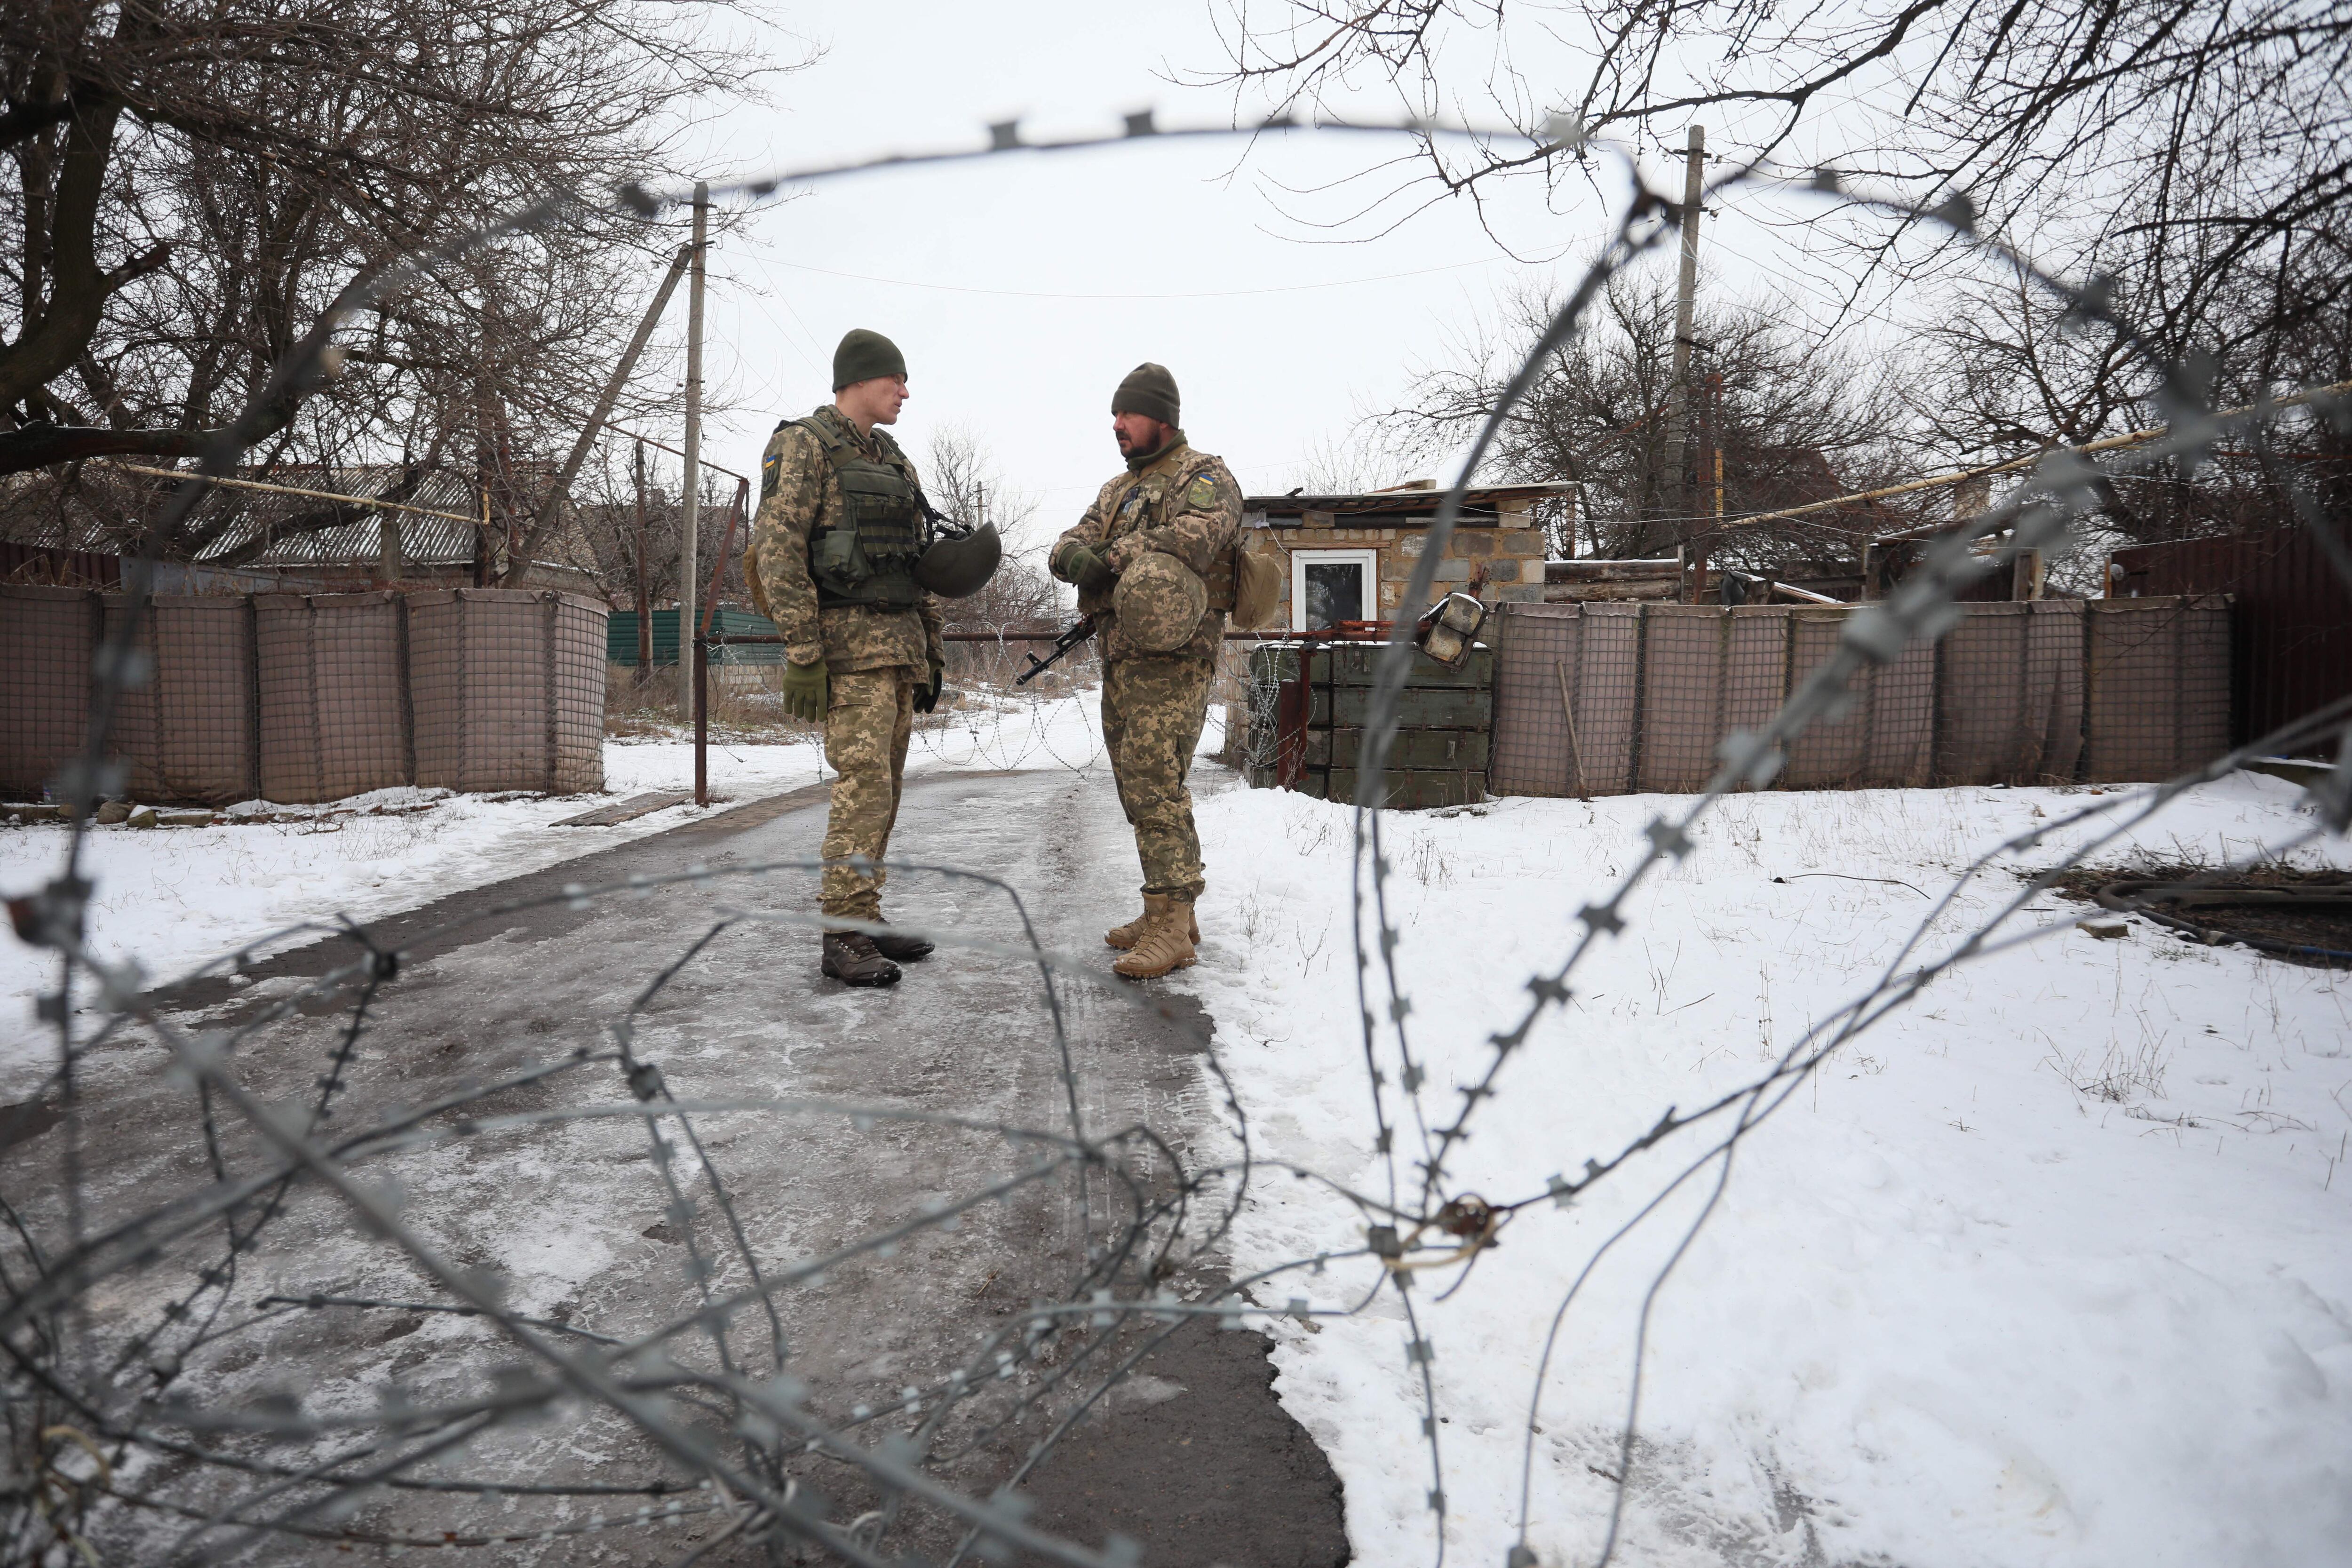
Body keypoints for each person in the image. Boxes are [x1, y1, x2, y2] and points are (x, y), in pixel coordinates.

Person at [747, 328, 946, 987]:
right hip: (847, 654)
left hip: (896, 653)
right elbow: (778, 551)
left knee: (883, 795)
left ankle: (867, 920)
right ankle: (841, 934)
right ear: (861, 379)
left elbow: (919, 565)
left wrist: (932, 649)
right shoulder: (803, 445)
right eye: (897, 381)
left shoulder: (893, 459)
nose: (905, 392)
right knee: (863, 793)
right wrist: (803, 651)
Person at [1049, 363, 1243, 979]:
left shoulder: (1205, 475)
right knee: (1137, 787)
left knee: (1157, 783)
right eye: (1114, 414)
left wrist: (1109, 556)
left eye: (1127, 414)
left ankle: (1173, 930)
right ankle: (1165, 910)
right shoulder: (1115, 493)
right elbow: (1065, 546)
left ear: (1162, 416)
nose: (1117, 425)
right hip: (1120, 655)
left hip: (1177, 655)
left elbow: (1196, 537)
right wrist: (1079, 556)